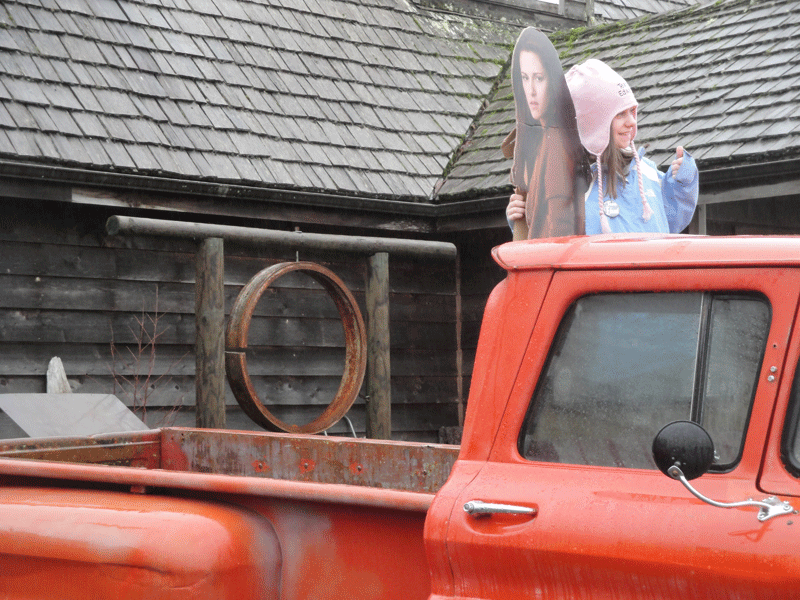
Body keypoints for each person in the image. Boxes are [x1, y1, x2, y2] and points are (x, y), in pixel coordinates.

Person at [565, 59, 698, 234]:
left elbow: (673, 221)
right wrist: (522, 217)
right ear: (594, 123)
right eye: (620, 114)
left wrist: (684, 182)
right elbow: (548, 240)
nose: (632, 122)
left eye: (631, 111)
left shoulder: (646, 172)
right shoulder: (567, 183)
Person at [503, 28, 584, 240]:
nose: (530, 90)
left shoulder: (556, 141)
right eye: (524, 78)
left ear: (553, 81)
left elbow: (559, 231)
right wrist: (519, 213)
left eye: (539, 78)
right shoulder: (538, 138)